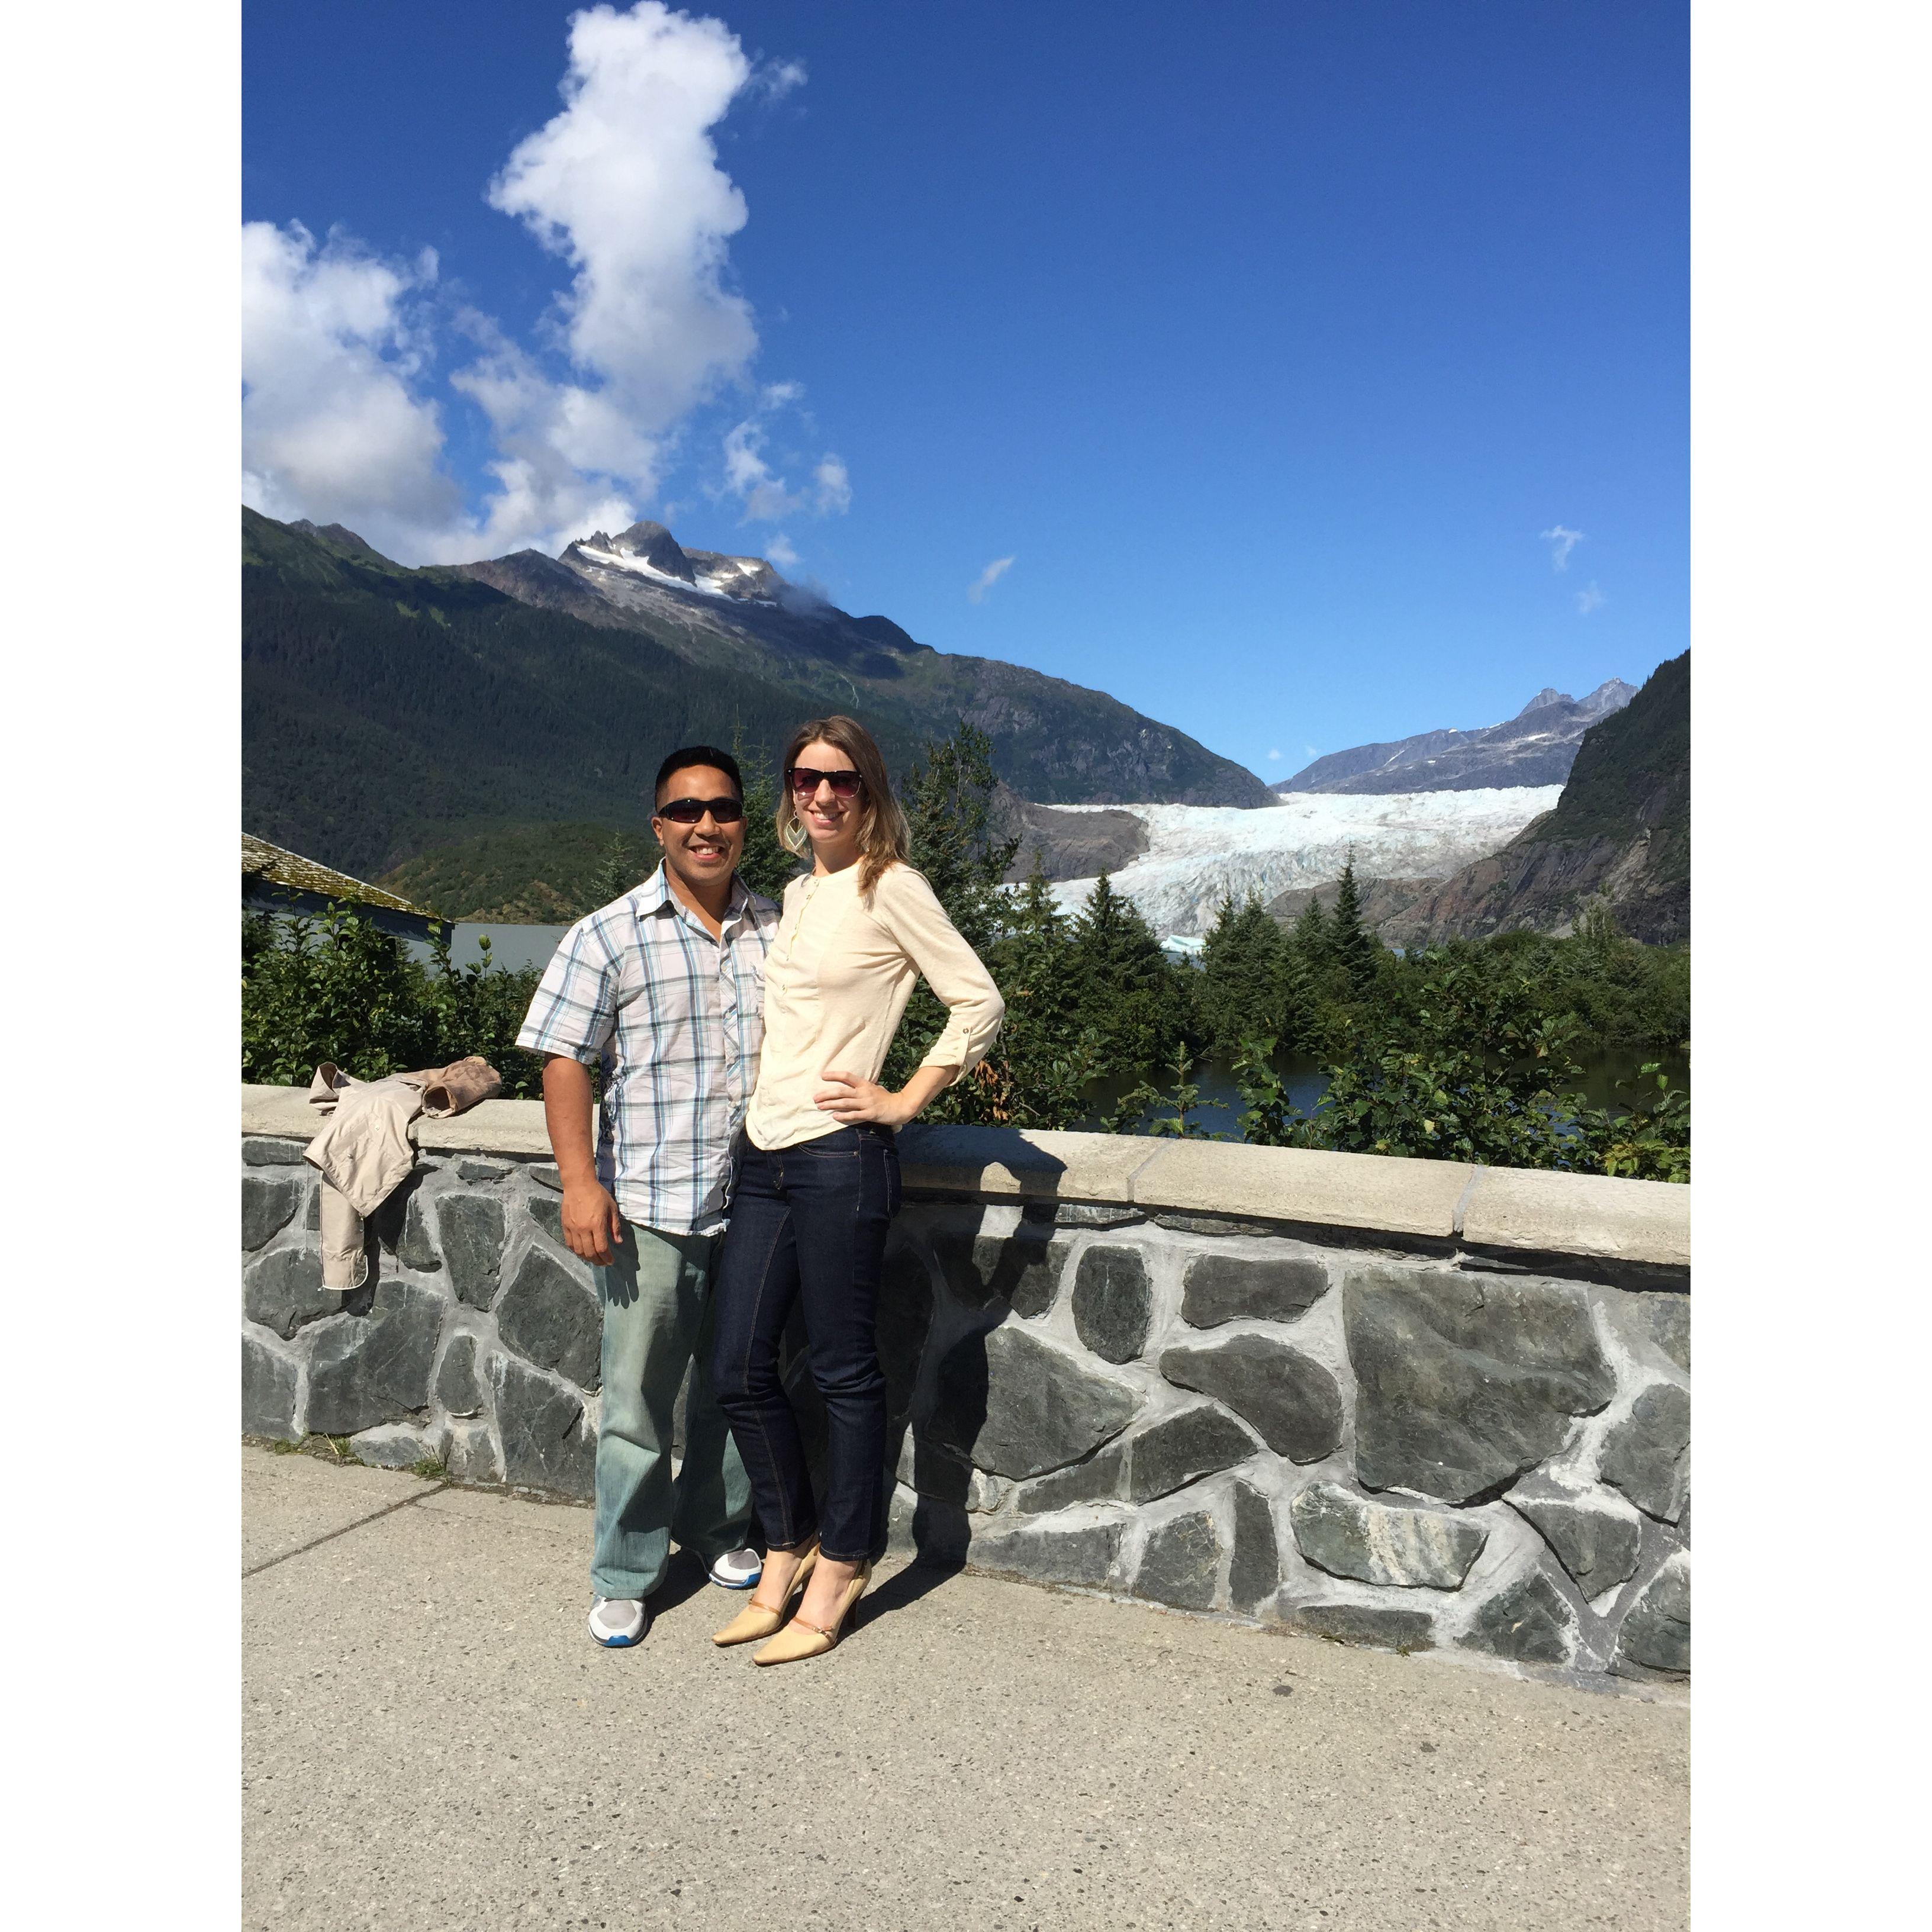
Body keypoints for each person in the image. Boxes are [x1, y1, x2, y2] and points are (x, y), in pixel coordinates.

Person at [709, 714, 1005, 1666]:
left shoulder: (892, 886)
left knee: (843, 1371)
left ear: (869, 790)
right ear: (789, 790)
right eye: (805, 779)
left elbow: (979, 998)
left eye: (842, 781)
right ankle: (785, 1542)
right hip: (765, 1152)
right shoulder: (797, 895)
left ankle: (843, 1562)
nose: (822, 796)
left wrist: (906, 1098)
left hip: (842, 1154)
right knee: (740, 1368)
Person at [516, 745, 783, 1648]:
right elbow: (564, 1062)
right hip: (650, 1209)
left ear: (746, 821)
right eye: (686, 810)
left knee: (733, 1387)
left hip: (755, 1202)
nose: (707, 825)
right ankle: (626, 1569)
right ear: (659, 825)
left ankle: (715, 1531)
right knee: (634, 1400)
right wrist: (581, 1184)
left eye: (723, 809)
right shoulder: (608, 933)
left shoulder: (780, 928)